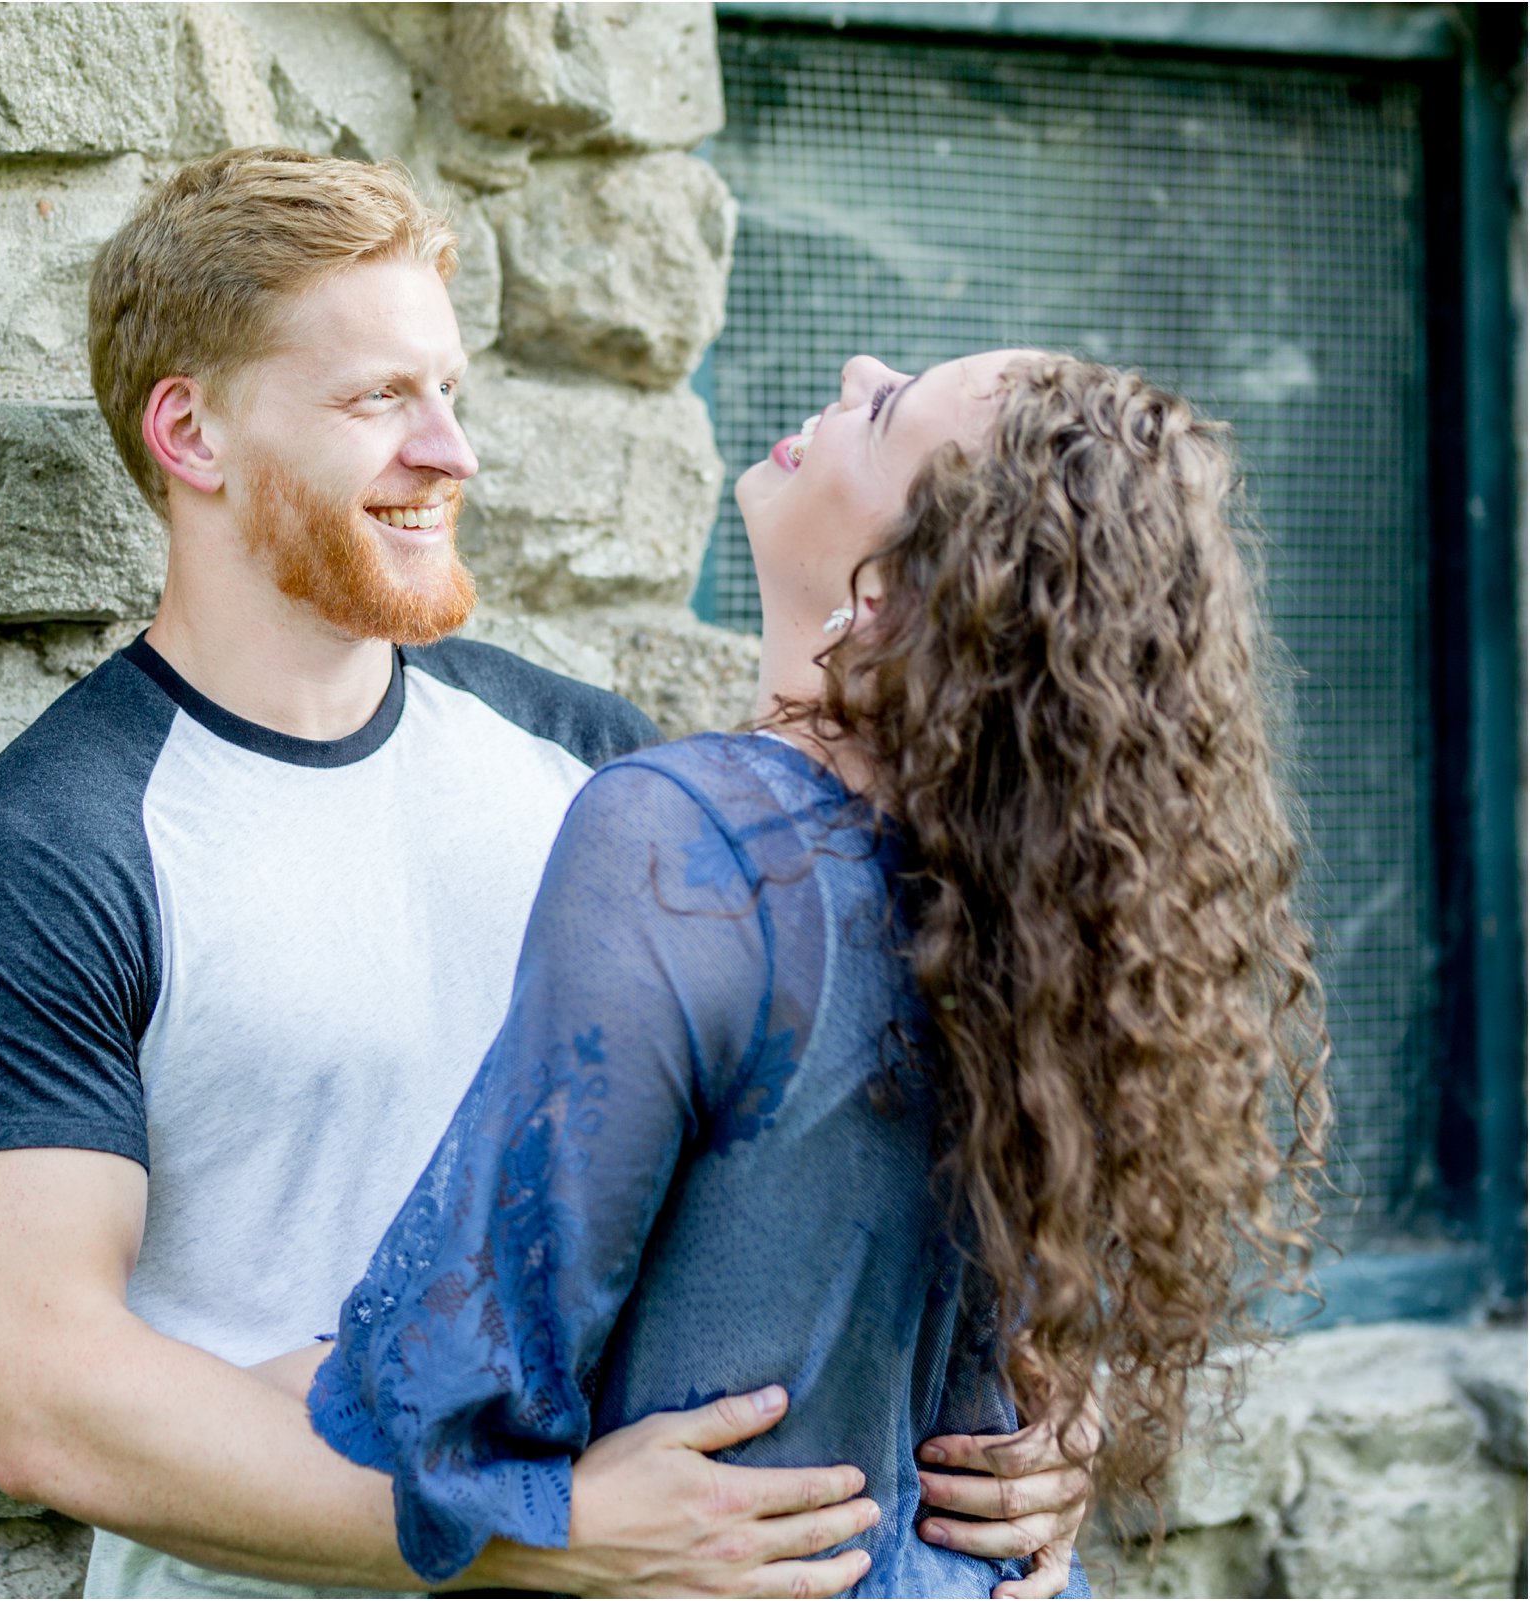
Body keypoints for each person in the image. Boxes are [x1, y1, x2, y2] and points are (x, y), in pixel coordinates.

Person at [0, 148, 1093, 1599]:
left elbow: (873, 1114)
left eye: (447, 391)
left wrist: (1030, 1395)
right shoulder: (45, 853)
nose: (448, 452)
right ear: (191, 435)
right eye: (376, 399)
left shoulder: (591, 763)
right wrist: (538, 1530)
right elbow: (50, 1408)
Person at [304, 350, 1332, 1596]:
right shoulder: (1035, 907)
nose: (856, 368)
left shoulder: (686, 836)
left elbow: (442, 1400)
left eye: (886, 410)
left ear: (903, 592)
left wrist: (173, 1367)